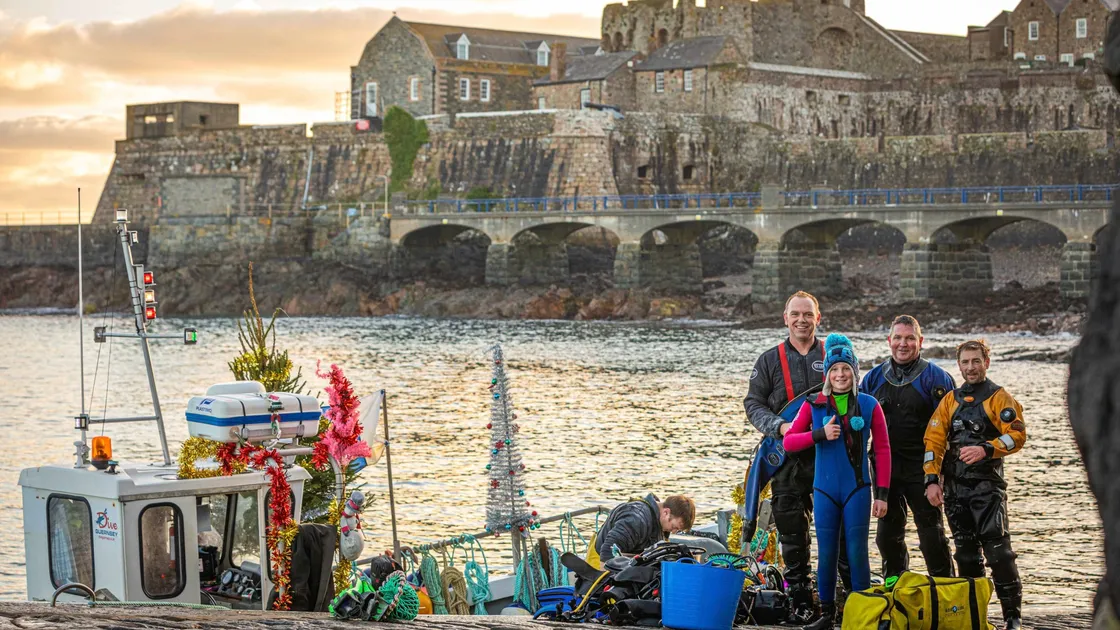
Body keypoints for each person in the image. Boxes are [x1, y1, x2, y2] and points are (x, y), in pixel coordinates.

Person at [744, 291, 849, 623]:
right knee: (792, 534)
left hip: (830, 455)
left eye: (808, 314)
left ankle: (844, 597)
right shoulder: (768, 360)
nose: (801, 320)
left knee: (840, 531)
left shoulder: (835, 356)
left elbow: (856, 394)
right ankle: (801, 599)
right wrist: (779, 426)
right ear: (785, 318)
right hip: (787, 460)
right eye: (795, 314)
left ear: (819, 319)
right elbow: (753, 404)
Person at [784, 333, 891, 630]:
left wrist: (882, 494)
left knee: (857, 551)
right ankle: (827, 615)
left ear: (854, 372)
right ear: (827, 373)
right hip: (824, 490)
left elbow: (881, 450)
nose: (841, 375)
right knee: (827, 551)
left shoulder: (869, 405)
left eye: (846, 369)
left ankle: (862, 615)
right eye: (835, 369)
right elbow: (790, 442)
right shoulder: (814, 405)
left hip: (858, 490)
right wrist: (819, 434)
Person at [924, 339, 1026, 630]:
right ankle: (975, 616)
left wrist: (987, 448)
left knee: (999, 553)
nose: (970, 367)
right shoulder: (950, 401)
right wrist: (932, 480)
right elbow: (933, 442)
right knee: (966, 555)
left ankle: (1012, 617)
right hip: (955, 490)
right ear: (959, 366)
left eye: (975, 361)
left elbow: (1017, 435)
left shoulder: (999, 398)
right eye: (965, 362)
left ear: (986, 363)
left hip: (988, 489)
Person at [860, 315, 956, 580]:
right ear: (889, 340)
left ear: (920, 341)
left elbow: (950, 431)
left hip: (923, 469)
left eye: (910, 338)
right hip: (885, 470)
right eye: (898, 338)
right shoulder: (873, 379)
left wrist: (937, 477)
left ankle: (946, 592)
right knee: (887, 538)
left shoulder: (937, 378)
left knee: (931, 537)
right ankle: (896, 591)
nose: (903, 344)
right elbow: (856, 427)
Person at [586, 493, 696, 569]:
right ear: (666, 512)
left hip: (628, 564)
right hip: (600, 565)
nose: (673, 532)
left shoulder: (661, 521)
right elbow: (607, 551)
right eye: (674, 527)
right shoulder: (636, 519)